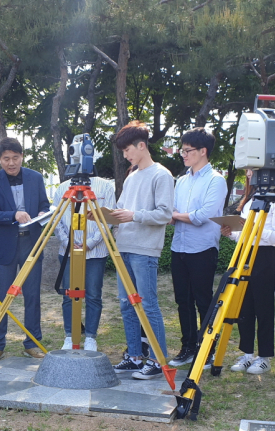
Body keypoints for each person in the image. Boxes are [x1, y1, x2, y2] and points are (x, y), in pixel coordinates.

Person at [109, 120, 174, 380]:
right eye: (123, 152)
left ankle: (159, 360)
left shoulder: (162, 175)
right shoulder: (132, 176)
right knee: (127, 305)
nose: (126, 156)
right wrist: (107, 216)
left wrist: (133, 215)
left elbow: (165, 214)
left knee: (148, 306)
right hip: (123, 247)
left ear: (142, 146)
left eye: (128, 151)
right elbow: (122, 209)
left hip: (145, 249)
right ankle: (135, 356)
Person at [0, 137, 50, 364]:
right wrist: (13, 214)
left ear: (22, 157)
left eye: (15, 158)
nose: (11, 163)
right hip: (6, 245)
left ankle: (32, 343)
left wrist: (43, 214)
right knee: (1, 296)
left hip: (31, 242)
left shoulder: (36, 178)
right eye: (6, 159)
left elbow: (44, 204)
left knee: (32, 296)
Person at [168, 127, 227, 368]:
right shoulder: (181, 181)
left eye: (187, 150)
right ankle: (188, 346)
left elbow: (202, 216)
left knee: (203, 300)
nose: (183, 154)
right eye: (182, 150)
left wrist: (178, 215)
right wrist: (178, 215)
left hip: (202, 248)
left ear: (203, 151)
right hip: (178, 247)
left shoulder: (217, 180)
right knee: (183, 300)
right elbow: (172, 212)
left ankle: (208, 348)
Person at [221, 169, 275, 374]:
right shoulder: (251, 200)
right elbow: (244, 234)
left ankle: (265, 356)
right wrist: (231, 233)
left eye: (254, 170)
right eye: (248, 170)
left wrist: (256, 230)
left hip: (265, 257)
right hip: (245, 254)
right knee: (244, 306)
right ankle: (247, 353)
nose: (249, 174)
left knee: (264, 307)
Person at [53, 175, 116, 351]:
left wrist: (89, 243)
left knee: (94, 295)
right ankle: (69, 336)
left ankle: (90, 337)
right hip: (67, 251)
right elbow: (56, 217)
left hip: (95, 252)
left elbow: (107, 219)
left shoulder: (105, 186)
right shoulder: (63, 188)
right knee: (68, 295)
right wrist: (67, 243)